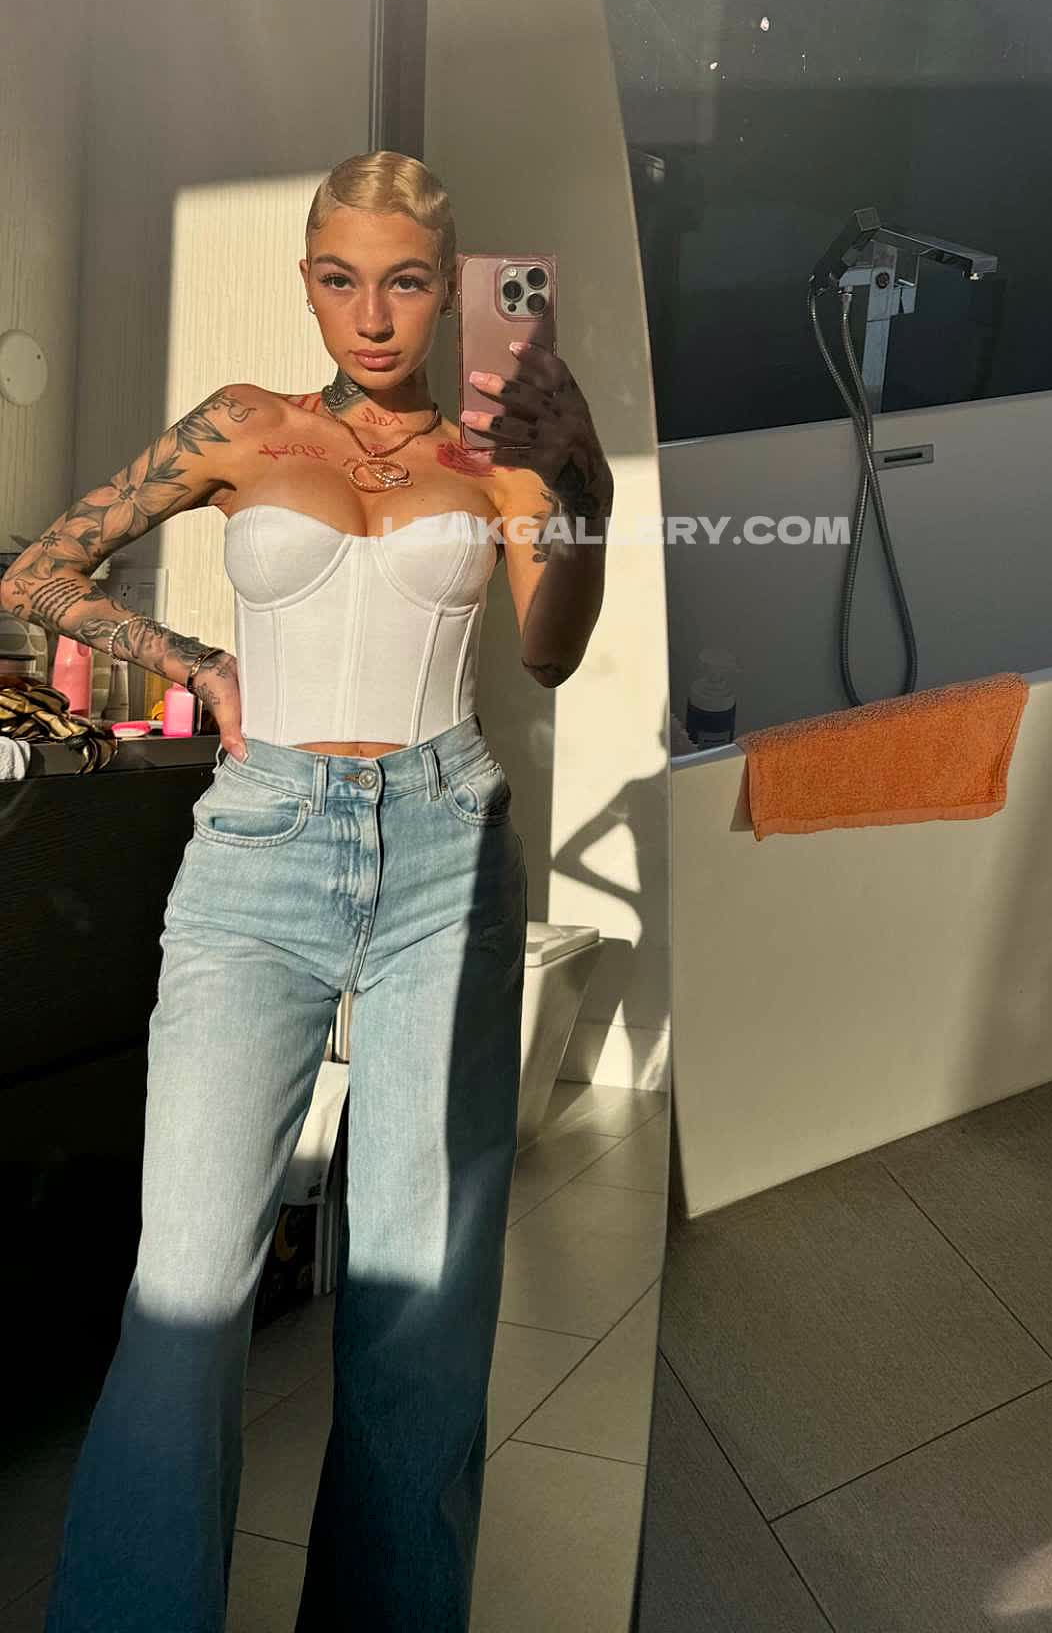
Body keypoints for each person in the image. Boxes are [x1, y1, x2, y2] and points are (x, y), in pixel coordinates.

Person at [0, 150, 615, 1632]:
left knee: (421, 1302)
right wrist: (195, 664)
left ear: (451, 288)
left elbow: (550, 652)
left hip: (445, 847)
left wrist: (580, 477)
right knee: (184, 1295)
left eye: (407, 281)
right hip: (259, 852)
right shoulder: (241, 423)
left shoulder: (499, 451)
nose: (375, 315)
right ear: (307, 283)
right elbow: (35, 574)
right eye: (342, 279)